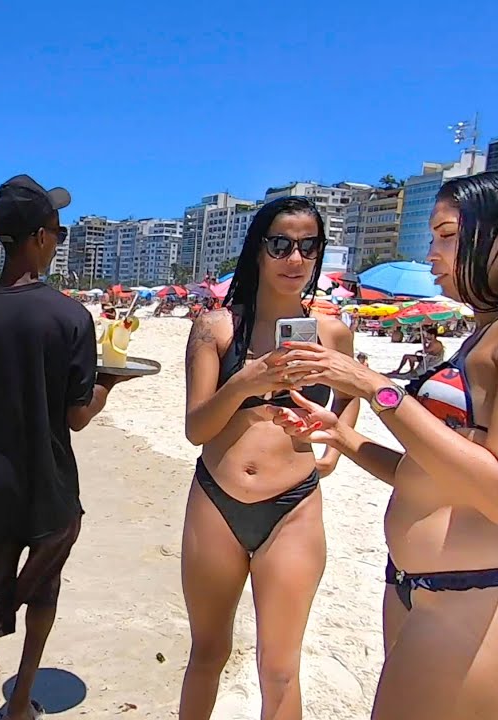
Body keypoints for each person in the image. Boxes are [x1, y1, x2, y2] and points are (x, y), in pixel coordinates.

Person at [270, 170, 498, 718]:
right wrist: (343, 437)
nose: (432, 254)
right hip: (425, 591)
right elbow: (433, 475)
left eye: (446, 235)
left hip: (480, 601)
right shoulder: (491, 329)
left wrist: (375, 387)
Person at [0, 175, 131, 720]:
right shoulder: (71, 317)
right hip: (51, 488)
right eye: (56, 231)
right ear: (37, 238)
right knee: (44, 595)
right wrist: (109, 384)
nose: (59, 239)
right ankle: (18, 705)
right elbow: (77, 419)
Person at [180, 196, 360, 719]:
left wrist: (338, 446)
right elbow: (197, 428)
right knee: (208, 652)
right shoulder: (216, 328)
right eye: (280, 244)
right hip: (217, 500)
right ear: (258, 250)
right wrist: (248, 382)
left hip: (294, 505)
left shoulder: (331, 333)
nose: (294, 258)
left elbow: (352, 392)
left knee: (280, 668)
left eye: (308, 246)